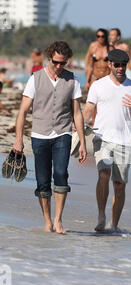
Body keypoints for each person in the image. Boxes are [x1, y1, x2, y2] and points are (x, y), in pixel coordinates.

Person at [13, 41, 87, 234]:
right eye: (55, 62)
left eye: (63, 63)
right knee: (43, 181)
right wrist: (18, 139)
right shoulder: (35, 78)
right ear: (49, 58)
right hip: (39, 134)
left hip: (63, 133)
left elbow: (77, 114)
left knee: (61, 174)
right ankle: (47, 220)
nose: (58, 66)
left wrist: (83, 143)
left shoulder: (73, 80)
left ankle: (58, 219)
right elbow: (22, 112)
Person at [82, 49, 131, 233]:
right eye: (117, 64)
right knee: (103, 174)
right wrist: (79, 129)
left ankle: (114, 224)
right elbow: (88, 110)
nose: (120, 68)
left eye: (123, 65)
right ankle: (101, 215)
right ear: (109, 64)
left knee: (119, 185)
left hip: (125, 141)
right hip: (102, 138)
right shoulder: (98, 85)